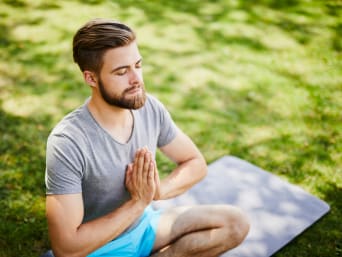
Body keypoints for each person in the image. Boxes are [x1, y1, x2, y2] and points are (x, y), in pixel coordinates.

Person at [44, 18, 250, 257]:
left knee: (235, 223)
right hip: (99, 248)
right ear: (91, 78)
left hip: (145, 226)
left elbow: (195, 163)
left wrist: (156, 192)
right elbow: (66, 248)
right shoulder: (68, 142)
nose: (136, 80)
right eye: (122, 71)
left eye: (138, 65)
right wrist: (137, 203)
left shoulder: (148, 108)